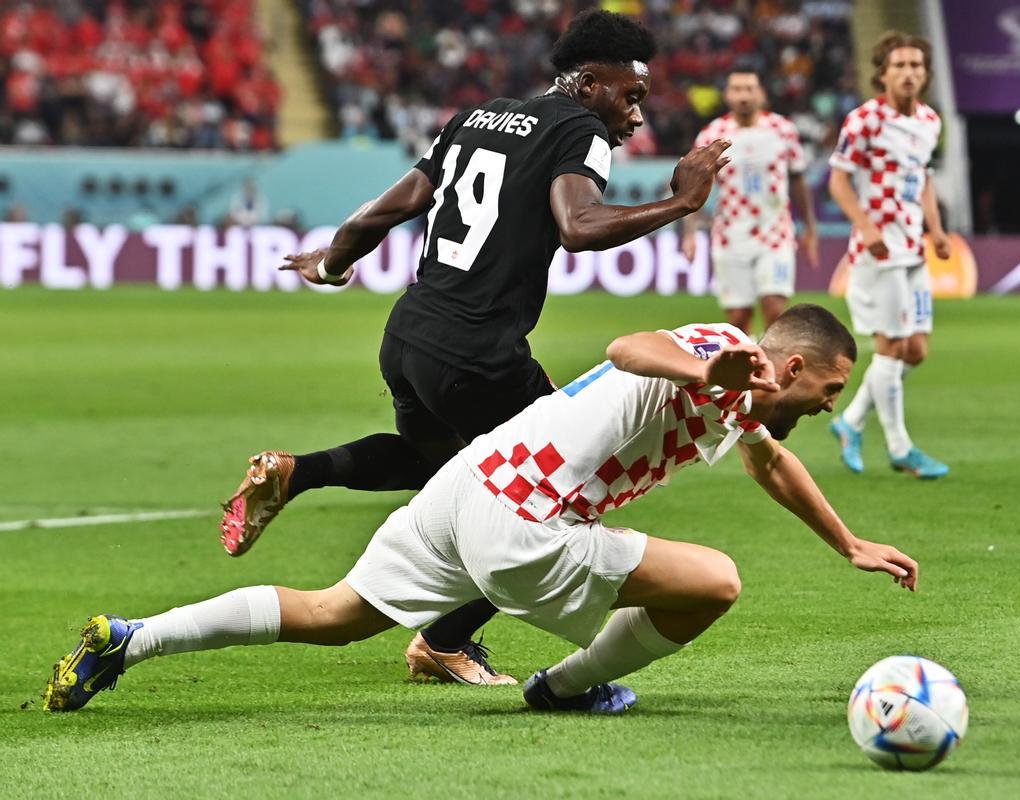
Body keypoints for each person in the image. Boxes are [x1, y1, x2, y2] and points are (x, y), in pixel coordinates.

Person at [43, 304, 919, 715]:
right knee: (716, 583)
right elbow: (629, 347)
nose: (829, 405)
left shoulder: (748, 403)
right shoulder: (727, 351)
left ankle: (130, 638)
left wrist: (847, 542)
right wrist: (705, 370)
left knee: (337, 614)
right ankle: (566, 689)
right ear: (795, 367)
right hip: (529, 517)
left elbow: (772, 466)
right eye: (832, 390)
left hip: (473, 481)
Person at [218, 10, 733, 685]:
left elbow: (391, 207)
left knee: (444, 469)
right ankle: (443, 640)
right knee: (539, 497)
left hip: (407, 338)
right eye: (629, 96)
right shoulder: (580, 129)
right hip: (478, 355)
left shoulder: (478, 116)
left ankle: (297, 472)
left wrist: (333, 262)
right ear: (586, 82)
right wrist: (681, 204)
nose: (635, 117)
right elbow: (577, 226)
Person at [826, 31, 951, 480]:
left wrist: (936, 230)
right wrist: (867, 226)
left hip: (914, 246)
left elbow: (926, 179)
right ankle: (901, 448)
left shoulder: (930, 121)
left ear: (926, 74)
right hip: (878, 250)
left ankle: (851, 421)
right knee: (892, 345)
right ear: (882, 73)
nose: (909, 73)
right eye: (899, 65)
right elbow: (838, 181)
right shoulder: (865, 120)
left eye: (916, 66)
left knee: (914, 350)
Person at [680, 67, 820, 335]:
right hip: (731, 236)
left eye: (749, 89)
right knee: (738, 319)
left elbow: (798, 179)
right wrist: (690, 233)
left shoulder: (783, 130)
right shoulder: (713, 134)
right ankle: (745, 373)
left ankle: (772, 374)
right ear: (727, 95)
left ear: (761, 94)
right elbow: (695, 186)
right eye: (737, 89)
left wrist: (810, 227)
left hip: (775, 234)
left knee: (775, 310)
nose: (743, 95)